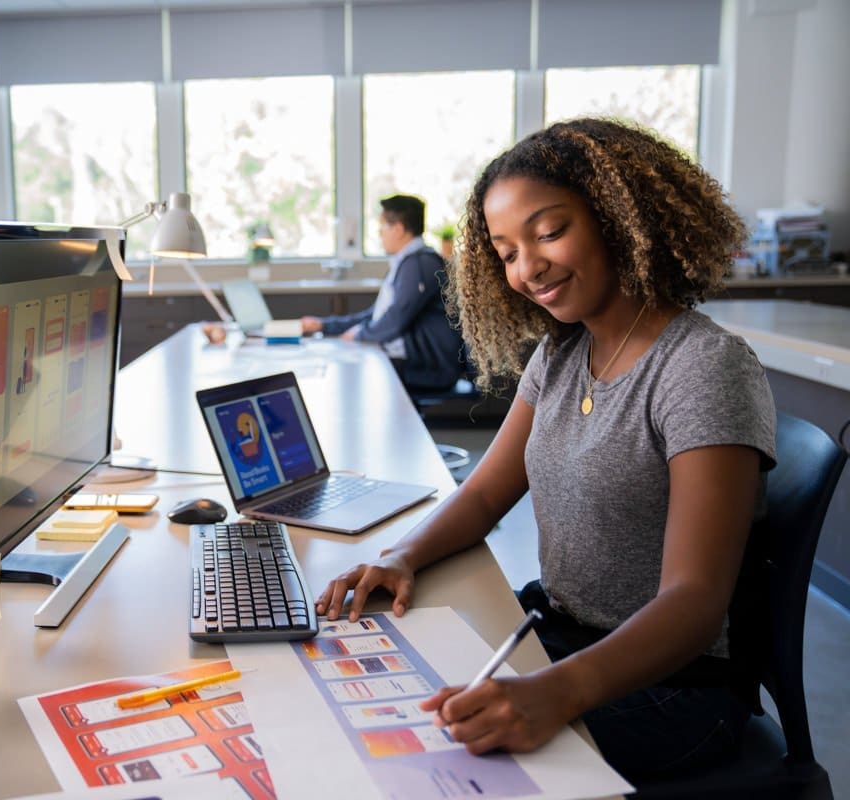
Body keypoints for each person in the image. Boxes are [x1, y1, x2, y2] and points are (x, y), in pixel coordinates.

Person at [314, 118, 776, 781]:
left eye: (549, 232)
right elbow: (482, 494)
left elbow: (695, 603)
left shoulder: (704, 367)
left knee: (434, 774)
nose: (526, 268)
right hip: (559, 634)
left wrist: (553, 692)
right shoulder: (563, 353)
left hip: (674, 687)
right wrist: (400, 557)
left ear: (621, 217)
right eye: (504, 252)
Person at [300, 194, 469, 390]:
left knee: (350, 370)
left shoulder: (419, 264)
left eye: (382, 228)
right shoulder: (406, 263)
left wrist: (359, 334)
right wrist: (324, 325)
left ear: (398, 229)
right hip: (415, 360)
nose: (380, 234)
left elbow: (394, 320)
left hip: (427, 367)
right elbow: (375, 316)